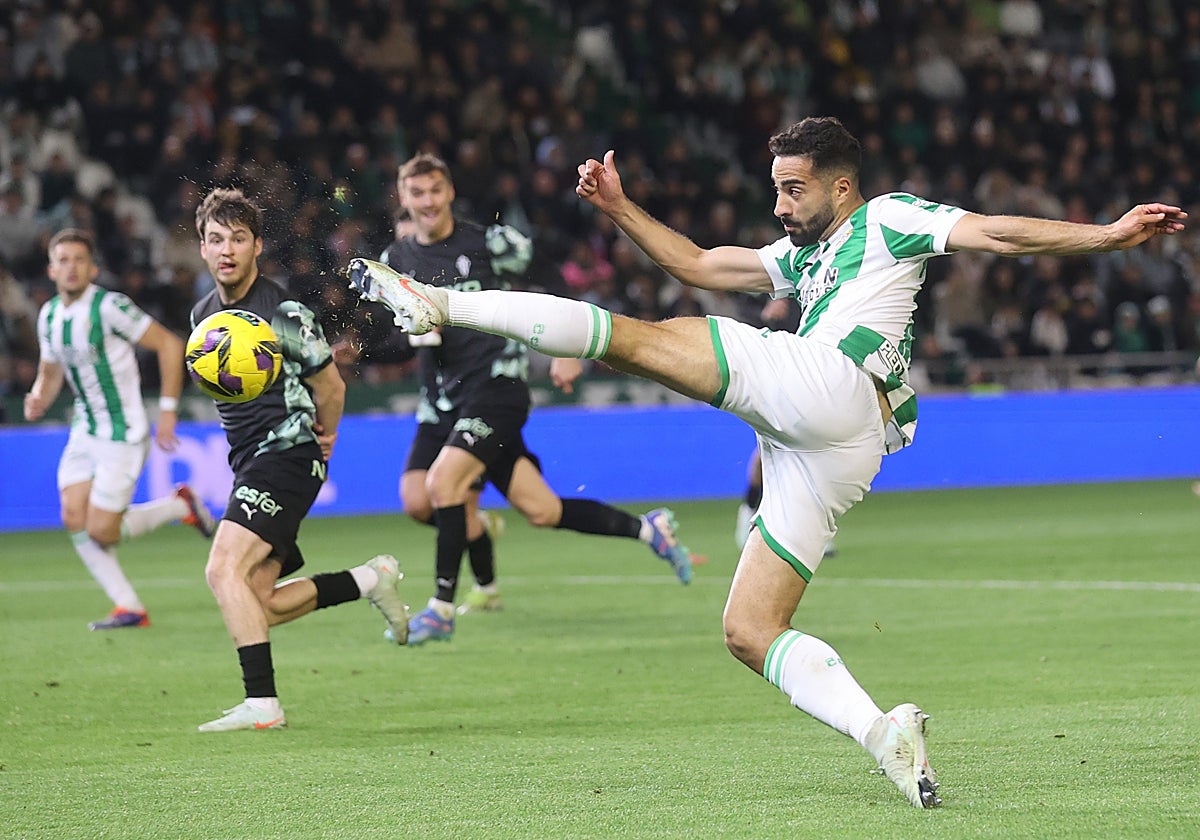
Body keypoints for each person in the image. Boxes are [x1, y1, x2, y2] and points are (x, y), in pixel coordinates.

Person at [345, 116, 1186, 806]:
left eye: (794, 188)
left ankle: (443, 303)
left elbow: (994, 234)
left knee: (645, 340)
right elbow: (699, 264)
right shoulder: (803, 257)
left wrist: (1107, 236)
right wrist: (620, 209)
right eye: (776, 188)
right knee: (749, 632)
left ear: (841, 185)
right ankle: (885, 735)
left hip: (833, 384)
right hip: (827, 453)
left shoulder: (889, 218)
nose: (779, 204)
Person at [356, 152, 693, 646]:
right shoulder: (396, 261)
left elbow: (551, 278)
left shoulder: (490, 242)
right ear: (403, 199)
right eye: (416, 193)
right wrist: (359, 352)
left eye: (434, 191)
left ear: (448, 192)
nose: (427, 201)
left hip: (497, 386)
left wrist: (567, 349)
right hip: (441, 402)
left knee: (444, 483)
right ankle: (649, 530)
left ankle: (442, 607)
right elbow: (394, 338)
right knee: (527, 509)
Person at [190, 188, 410, 733]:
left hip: (289, 452)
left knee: (222, 570)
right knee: (257, 603)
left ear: (257, 246)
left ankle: (262, 704)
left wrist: (326, 439)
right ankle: (368, 580)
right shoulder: (202, 315)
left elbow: (329, 385)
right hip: (251, 462)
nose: (226, 249)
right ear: (201, 248)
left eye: (238, 238)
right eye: (215, 239)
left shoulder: (282, 311)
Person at [24, 228, 215, 631]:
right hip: (85, 429)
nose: (71, 268)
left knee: (102, 532)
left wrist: (167, 409)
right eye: (63, 260)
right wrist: (39, 394)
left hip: (123, 433)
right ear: (51, 269)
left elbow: (168, 344)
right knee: (73, 514)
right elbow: (51, 371)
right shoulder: (50, 315)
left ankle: (180, 507)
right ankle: (129, 607)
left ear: (92, 268)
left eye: (79, 260)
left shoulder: (110, 307)